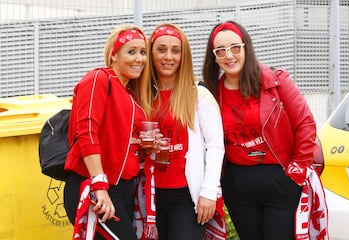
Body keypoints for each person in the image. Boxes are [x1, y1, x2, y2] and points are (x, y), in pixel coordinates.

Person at [202, 21, 329, 240]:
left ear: (245, 48)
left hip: (280, 179)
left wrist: (296, 172)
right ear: (214, 57)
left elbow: (305, 124)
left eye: (234, 48)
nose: (228, 55)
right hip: (238, 184)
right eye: (220, 51)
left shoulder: (277, 81)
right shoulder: (211, 93)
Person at [63, 24, 152, 240]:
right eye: (131, 52)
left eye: (142, 52)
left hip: (124, 191)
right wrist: (100, 186)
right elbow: (87, 132)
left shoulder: (132, 95)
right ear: (114, 55)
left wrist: (147, 144)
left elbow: (121, 143)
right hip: (96, 186)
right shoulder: (98, 79)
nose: (139, 59)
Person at [144, 22, 226, 240]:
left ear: (184, 56)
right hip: (151, 198)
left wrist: (208, 193)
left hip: (187, 197)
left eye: (175, 50)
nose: (168, 57)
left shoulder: (198, 95)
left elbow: (216, 146)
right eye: (161, 49)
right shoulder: (142, 96)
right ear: (151, 53)